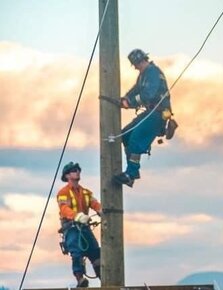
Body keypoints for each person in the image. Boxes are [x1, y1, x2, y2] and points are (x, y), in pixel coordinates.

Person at [112, 48, 173, 187]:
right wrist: (126, 98)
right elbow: (136, 89)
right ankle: (131, 173)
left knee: (136, 139)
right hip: (150, 112)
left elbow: (147, 94)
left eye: (136, 64)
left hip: (157, 114)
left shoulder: (152, 72)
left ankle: (131, 173)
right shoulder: (144, 75)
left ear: (140, 61)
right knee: (126, 135)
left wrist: (131, 102)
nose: (135, 68)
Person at [57, 162, 102, 287]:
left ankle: (104, 278)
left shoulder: (86, 192)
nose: (77, 172)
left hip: (84, 227)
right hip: (71, 227)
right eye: (73, 170)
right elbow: (64, 208)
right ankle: (80, 280)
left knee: (95, 251)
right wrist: (78, 216)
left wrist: (101, 211)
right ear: (67, 176)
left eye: (78, 170)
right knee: (76, 253)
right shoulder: (63, 192)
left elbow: (95, 204)